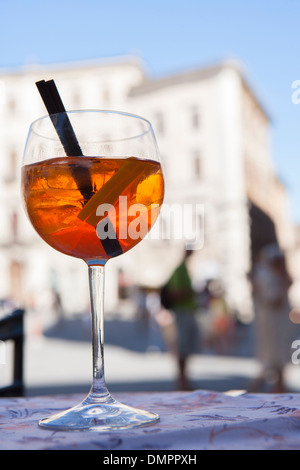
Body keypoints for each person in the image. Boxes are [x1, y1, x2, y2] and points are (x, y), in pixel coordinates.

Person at [250, 243, 294, 393]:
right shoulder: (265, 276)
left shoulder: (275, 275)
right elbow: (274, 299)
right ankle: (256, 390)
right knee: (271, 362)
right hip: (270, 325)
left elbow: (290, 282)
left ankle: (278, 390)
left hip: (279, 325)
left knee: (278, 363)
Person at [162, 249, 199, 390]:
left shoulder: (183, 269)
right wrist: (191, 293)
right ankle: (182, 380)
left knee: (186, 346)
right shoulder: (180, 270)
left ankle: (184, 379)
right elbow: (175, 293)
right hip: (182, 312)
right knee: (182, 346)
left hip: (187, 311)